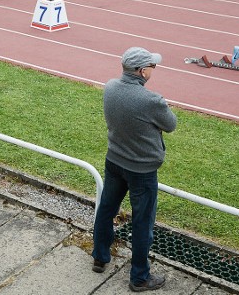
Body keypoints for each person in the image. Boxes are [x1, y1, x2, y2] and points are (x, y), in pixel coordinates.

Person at [91, 47, 176, 292]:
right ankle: (139, 278)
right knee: (142, 223)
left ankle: (99, 256)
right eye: (152, 66)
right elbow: (171, 125)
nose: (154, 70)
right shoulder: (152, 100)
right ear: (141, 71)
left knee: (106, 210)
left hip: (114, 160)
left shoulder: (110, 87)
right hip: (142, 171)